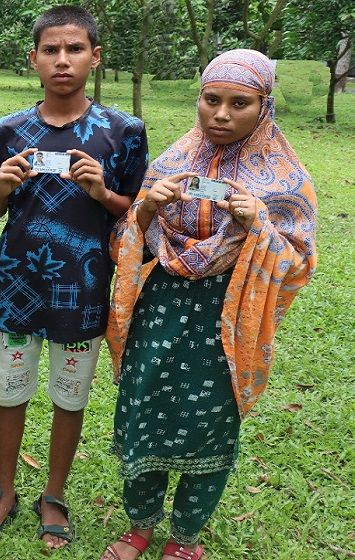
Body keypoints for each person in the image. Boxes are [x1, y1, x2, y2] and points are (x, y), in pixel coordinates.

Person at [101, 49, 317, 560]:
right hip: (159, 310)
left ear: (263, 107)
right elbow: (123, 243)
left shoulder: (286, 180)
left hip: (227, 318)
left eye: (238, 103)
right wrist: (148, 207)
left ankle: (185, 539)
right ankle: (139, 527)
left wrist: (257, 226)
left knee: (212, 422)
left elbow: (298, 264)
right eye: (210, 100)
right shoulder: (172, 161)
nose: (220, 115)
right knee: (143, 408)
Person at [0, 5, 149, 548]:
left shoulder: (123, 131)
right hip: (17, 286)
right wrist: (1, 188)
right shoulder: (5, 133)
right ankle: (3, 492)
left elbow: (139, 212)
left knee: (70, 396)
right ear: (34, 59)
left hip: (84, 288)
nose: (62, 60)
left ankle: (54, 493)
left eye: (74, 49)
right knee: (9, 391)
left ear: (95, 57)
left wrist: (102, 193)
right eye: (51, 50)